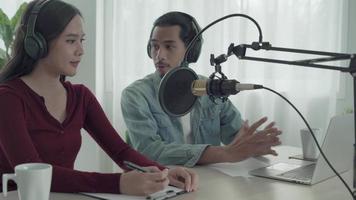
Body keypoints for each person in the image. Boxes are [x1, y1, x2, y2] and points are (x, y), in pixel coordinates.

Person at [0, 0, 198, 195]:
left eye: (81, 40)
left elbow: (121, 151)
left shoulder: (80, 97)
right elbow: (33, 172)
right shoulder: (8, 98)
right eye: (70, 40)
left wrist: (164, 171)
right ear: (38, 44)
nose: (81, 50)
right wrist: (117, 183)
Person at [121, 11, 282, 167]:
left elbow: (235, 136)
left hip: (209, 181)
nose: (159, 55)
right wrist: (225, 153)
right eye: (154, 46)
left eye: (169, 47)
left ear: (190, 51)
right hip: (164, 183)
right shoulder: (135, 95)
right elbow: (150, 151)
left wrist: (253, 143)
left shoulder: (210, 88)